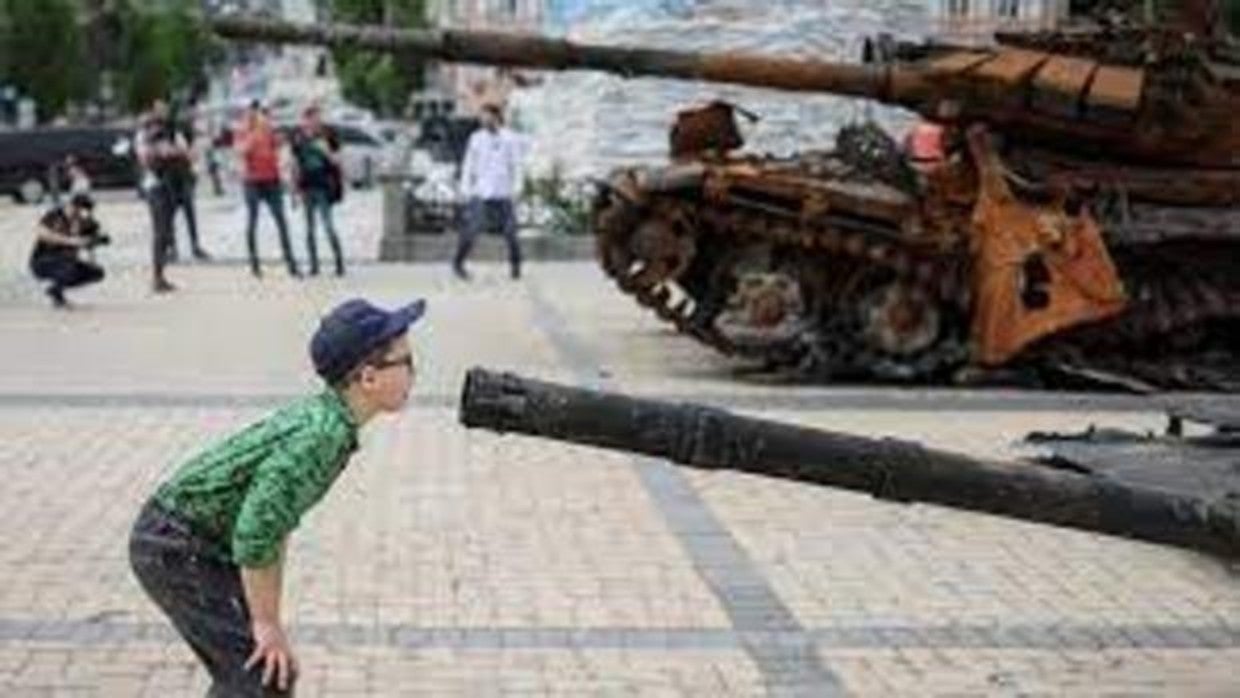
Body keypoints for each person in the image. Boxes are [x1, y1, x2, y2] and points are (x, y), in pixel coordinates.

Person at [129, 296, 425, 696]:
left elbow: (272, 524)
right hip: (175, 545)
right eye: (405, 361)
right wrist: (266, 625)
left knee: (262, 676)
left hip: (197, 542)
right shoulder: (321, 436)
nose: (414, 370)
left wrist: (266, 618)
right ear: (368, 378)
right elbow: (256, 535)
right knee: (264, 676)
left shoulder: (331, 422)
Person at [454, 103, 523, 280]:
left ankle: (516, 266)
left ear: (496, 116)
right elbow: (469, 165)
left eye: (487, 116)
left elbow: (516, 165)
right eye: (482, 116)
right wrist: (465, 188)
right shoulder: (476, 138)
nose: (484, 120)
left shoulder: (510, 138)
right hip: (481, 192)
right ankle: (458, 263)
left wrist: (517, 188)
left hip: (504, 192)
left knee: (511, 233)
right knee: (471, 230)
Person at [236, 101, 300, 279]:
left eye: (263, 113)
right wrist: (255, 134)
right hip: (252, 181)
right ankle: (254, 263)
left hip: (272, 180)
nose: (260, 117)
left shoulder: (269, 131)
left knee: (281, 221)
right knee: (252, 221)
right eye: (256, 113)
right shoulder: (244, 131)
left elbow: (281, 149)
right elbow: (241, 152)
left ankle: (291, 263)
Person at [290, 105, 345, 276]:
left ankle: (339, 264)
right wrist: (293, 191)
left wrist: (326, 151)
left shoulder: (329, 135)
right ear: (305, 120)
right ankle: (314, 266)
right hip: (307, 187)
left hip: (324, 187)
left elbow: (338, 161)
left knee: (328, 226)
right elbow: (295, 164)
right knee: (309, 229)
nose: (314, 122)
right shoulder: (298, 138)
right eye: (311, 119)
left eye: (317, 118)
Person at [29, 193, 106, 308]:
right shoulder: (55, 215)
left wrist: (94, 242)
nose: (82, 215)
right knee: (67, 263)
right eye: (81, 211)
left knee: (96, 272)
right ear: (74, 207)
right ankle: (58, 294)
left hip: (67, 262)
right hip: (43, 261)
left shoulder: (83, 222)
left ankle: (56, 290)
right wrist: (72, 241)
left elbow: (91, 239)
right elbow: (43, 234)